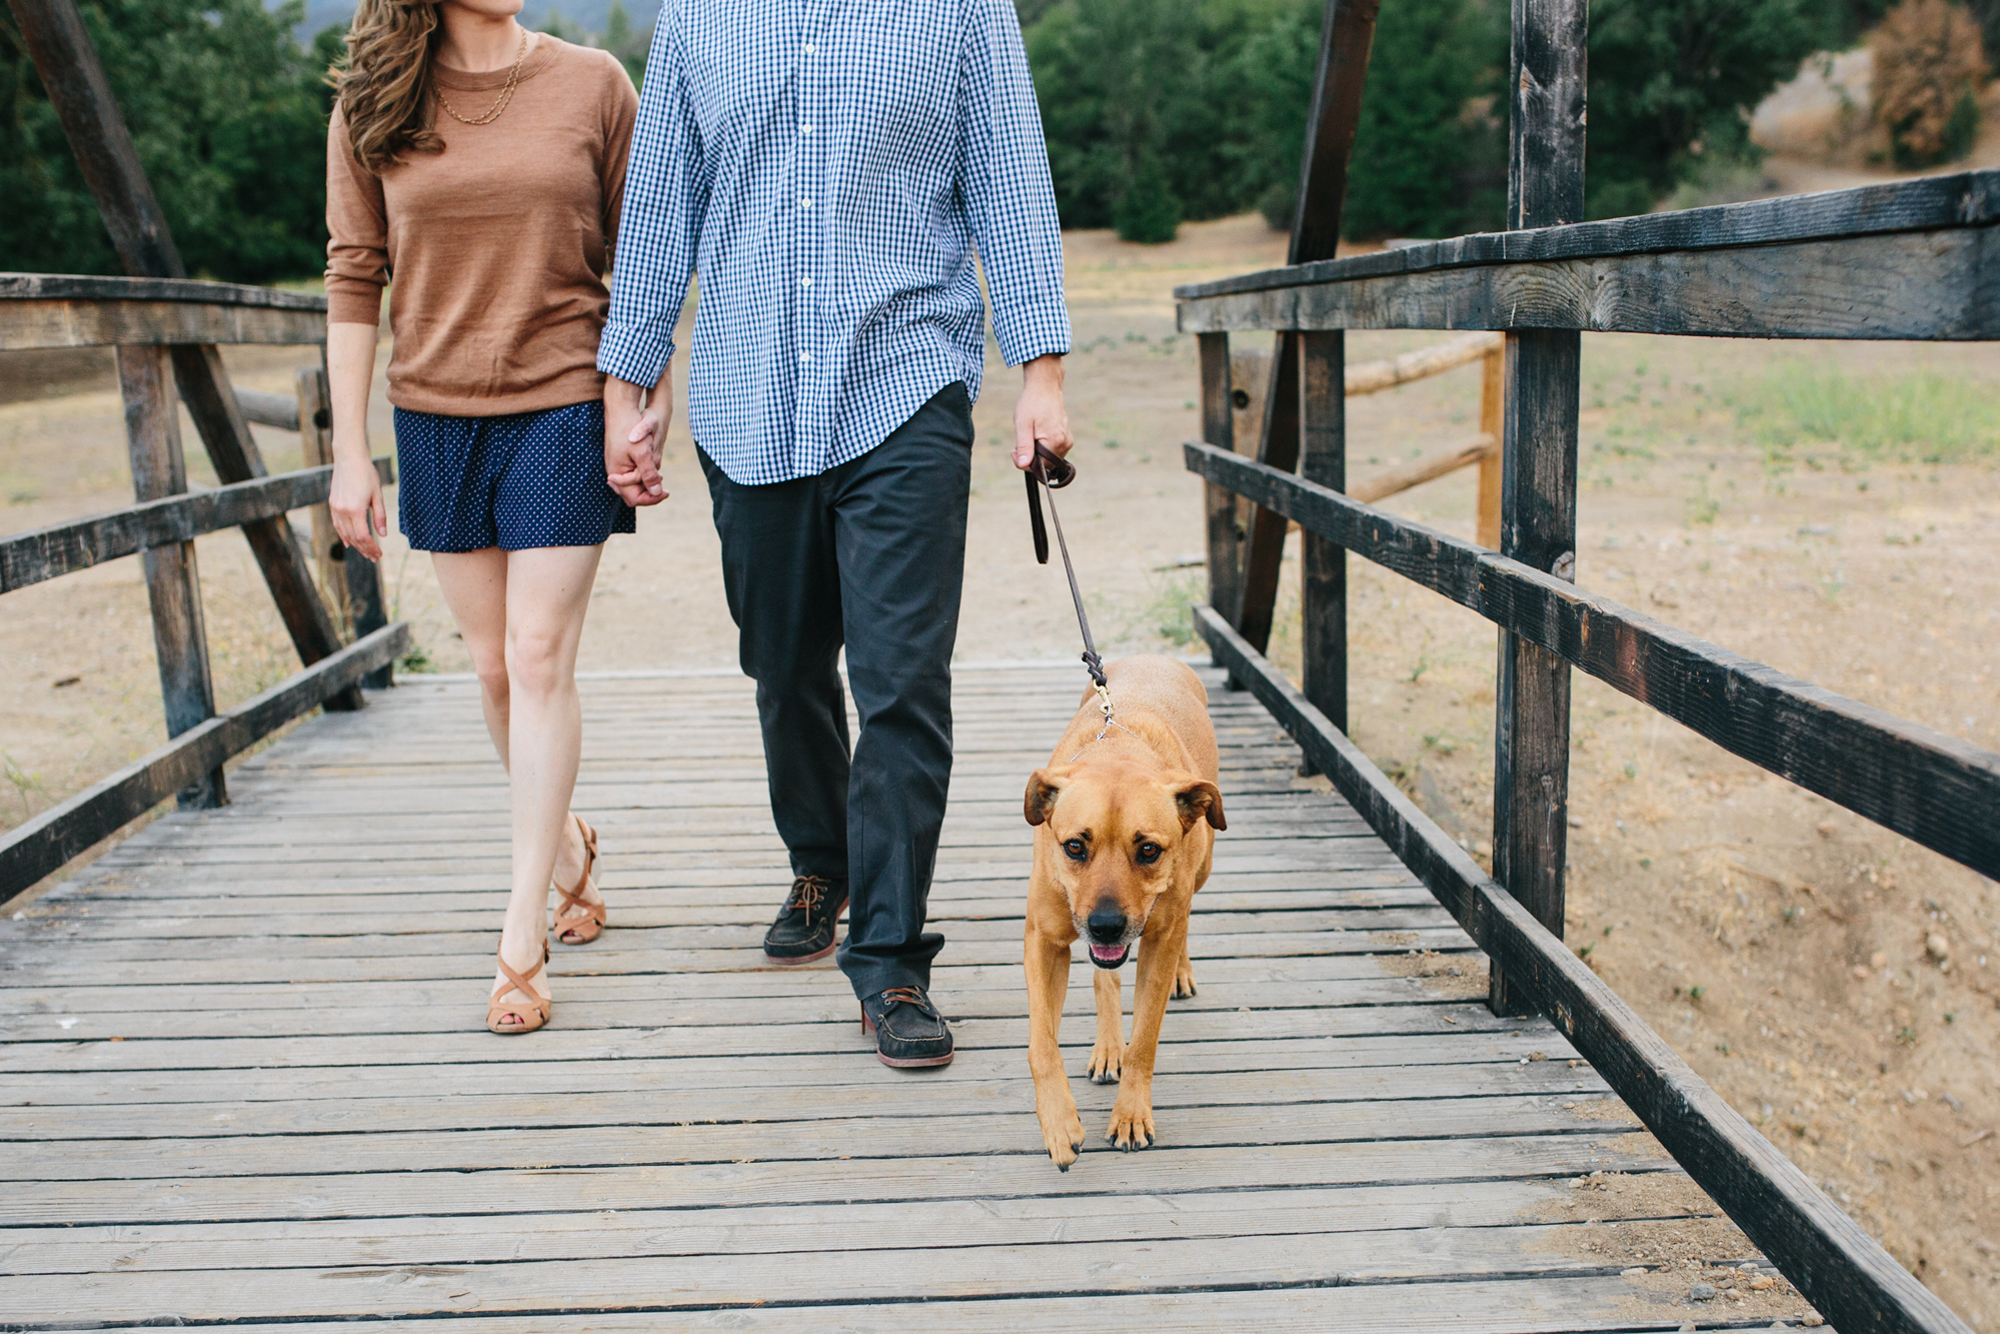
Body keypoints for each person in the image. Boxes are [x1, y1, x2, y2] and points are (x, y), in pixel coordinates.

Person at [598, 0, 1074, 1069]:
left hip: (905, 382)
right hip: (746, 391)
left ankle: (891, 955)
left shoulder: (958, 10)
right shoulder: (698, 19)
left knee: (902, 681)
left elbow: (1009, 176)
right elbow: (660, 205)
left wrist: (1038, 367)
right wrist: (629, 382)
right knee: (784, 662)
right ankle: (821, 858)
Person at [323, 0, 637, 1035]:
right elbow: (353, 275)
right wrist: (345, 454)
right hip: (433, 415)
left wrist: (642, 398)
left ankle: (519, 933)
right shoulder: (375, 99)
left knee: (541, 654)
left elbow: (641, 264)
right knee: (494, 665)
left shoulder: (592, 83)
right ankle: (571, 850)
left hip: (560, 399)